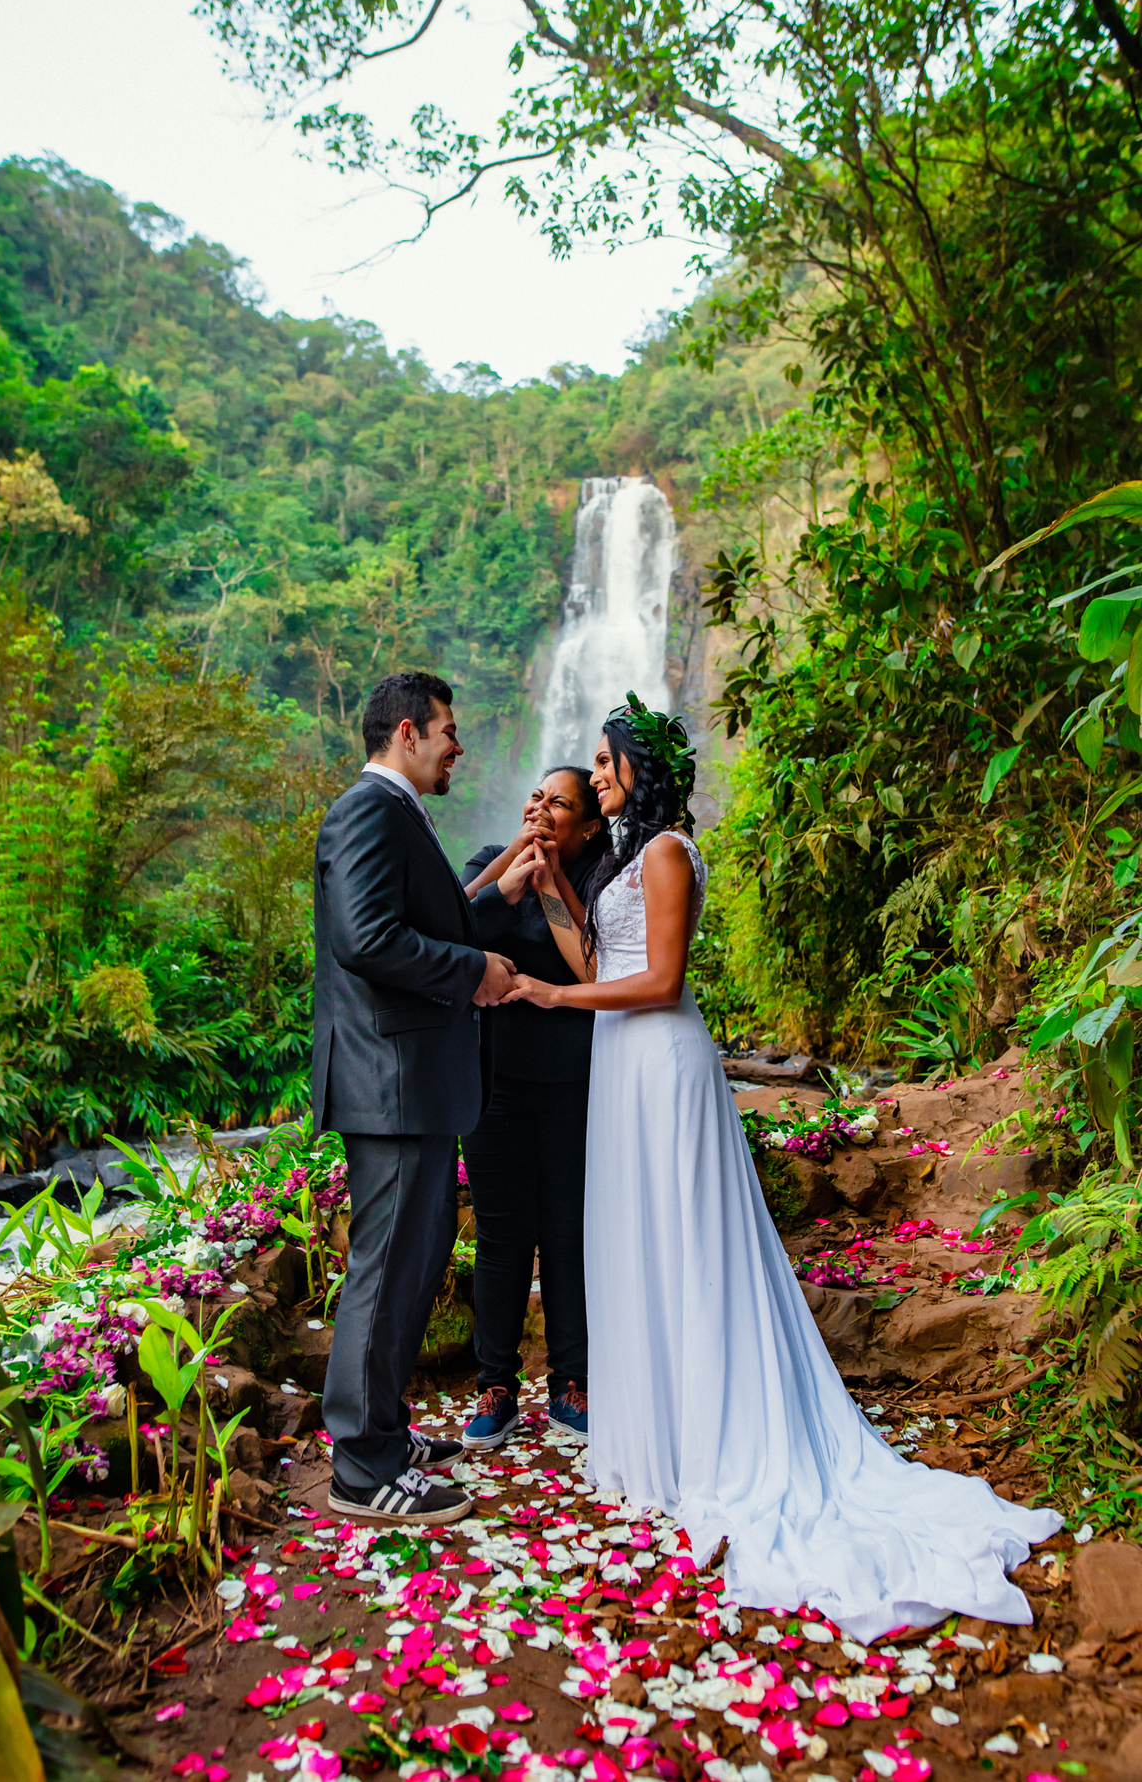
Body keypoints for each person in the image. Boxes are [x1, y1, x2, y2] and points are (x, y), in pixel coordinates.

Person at [501, 694, 1062, 1641]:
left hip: (663, 1056)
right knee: (637, 1238)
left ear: (642, 765)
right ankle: (664, 1436)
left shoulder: (671, 852)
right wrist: (555, 884)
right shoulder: (623, 860)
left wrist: (555, 996)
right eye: (592, 761)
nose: (594, 774)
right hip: (618, 1062)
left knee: (686, 1237)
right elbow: (599, 952)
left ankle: (719, 1435)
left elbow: (661, 978)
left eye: (605, 759)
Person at [312, 670, 517, 1527]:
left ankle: (386, 1433)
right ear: (406, 732)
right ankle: (361, 1468)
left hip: (414, 1086)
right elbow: (366, 938)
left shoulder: (398, 814)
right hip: (390, 1085)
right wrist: (473, 973)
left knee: (412, 1265)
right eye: (447, 730)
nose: (457, 746)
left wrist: (494, 903)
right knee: (387, 1270)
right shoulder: (368, 810)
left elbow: (417, 922)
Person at [457, 768, 612, 1450]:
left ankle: (570, 1381)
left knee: (568, 1232)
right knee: (501, 1235)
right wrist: (509, 869)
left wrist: (549, 886)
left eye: (560, 803)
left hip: (573, 1082)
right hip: (492, 1083)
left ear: (588, 826)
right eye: (536, 798)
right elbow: (454, 924)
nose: (542, 810)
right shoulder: (486, 862)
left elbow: (593, 966)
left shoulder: (597, 883)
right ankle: (496, 1383)